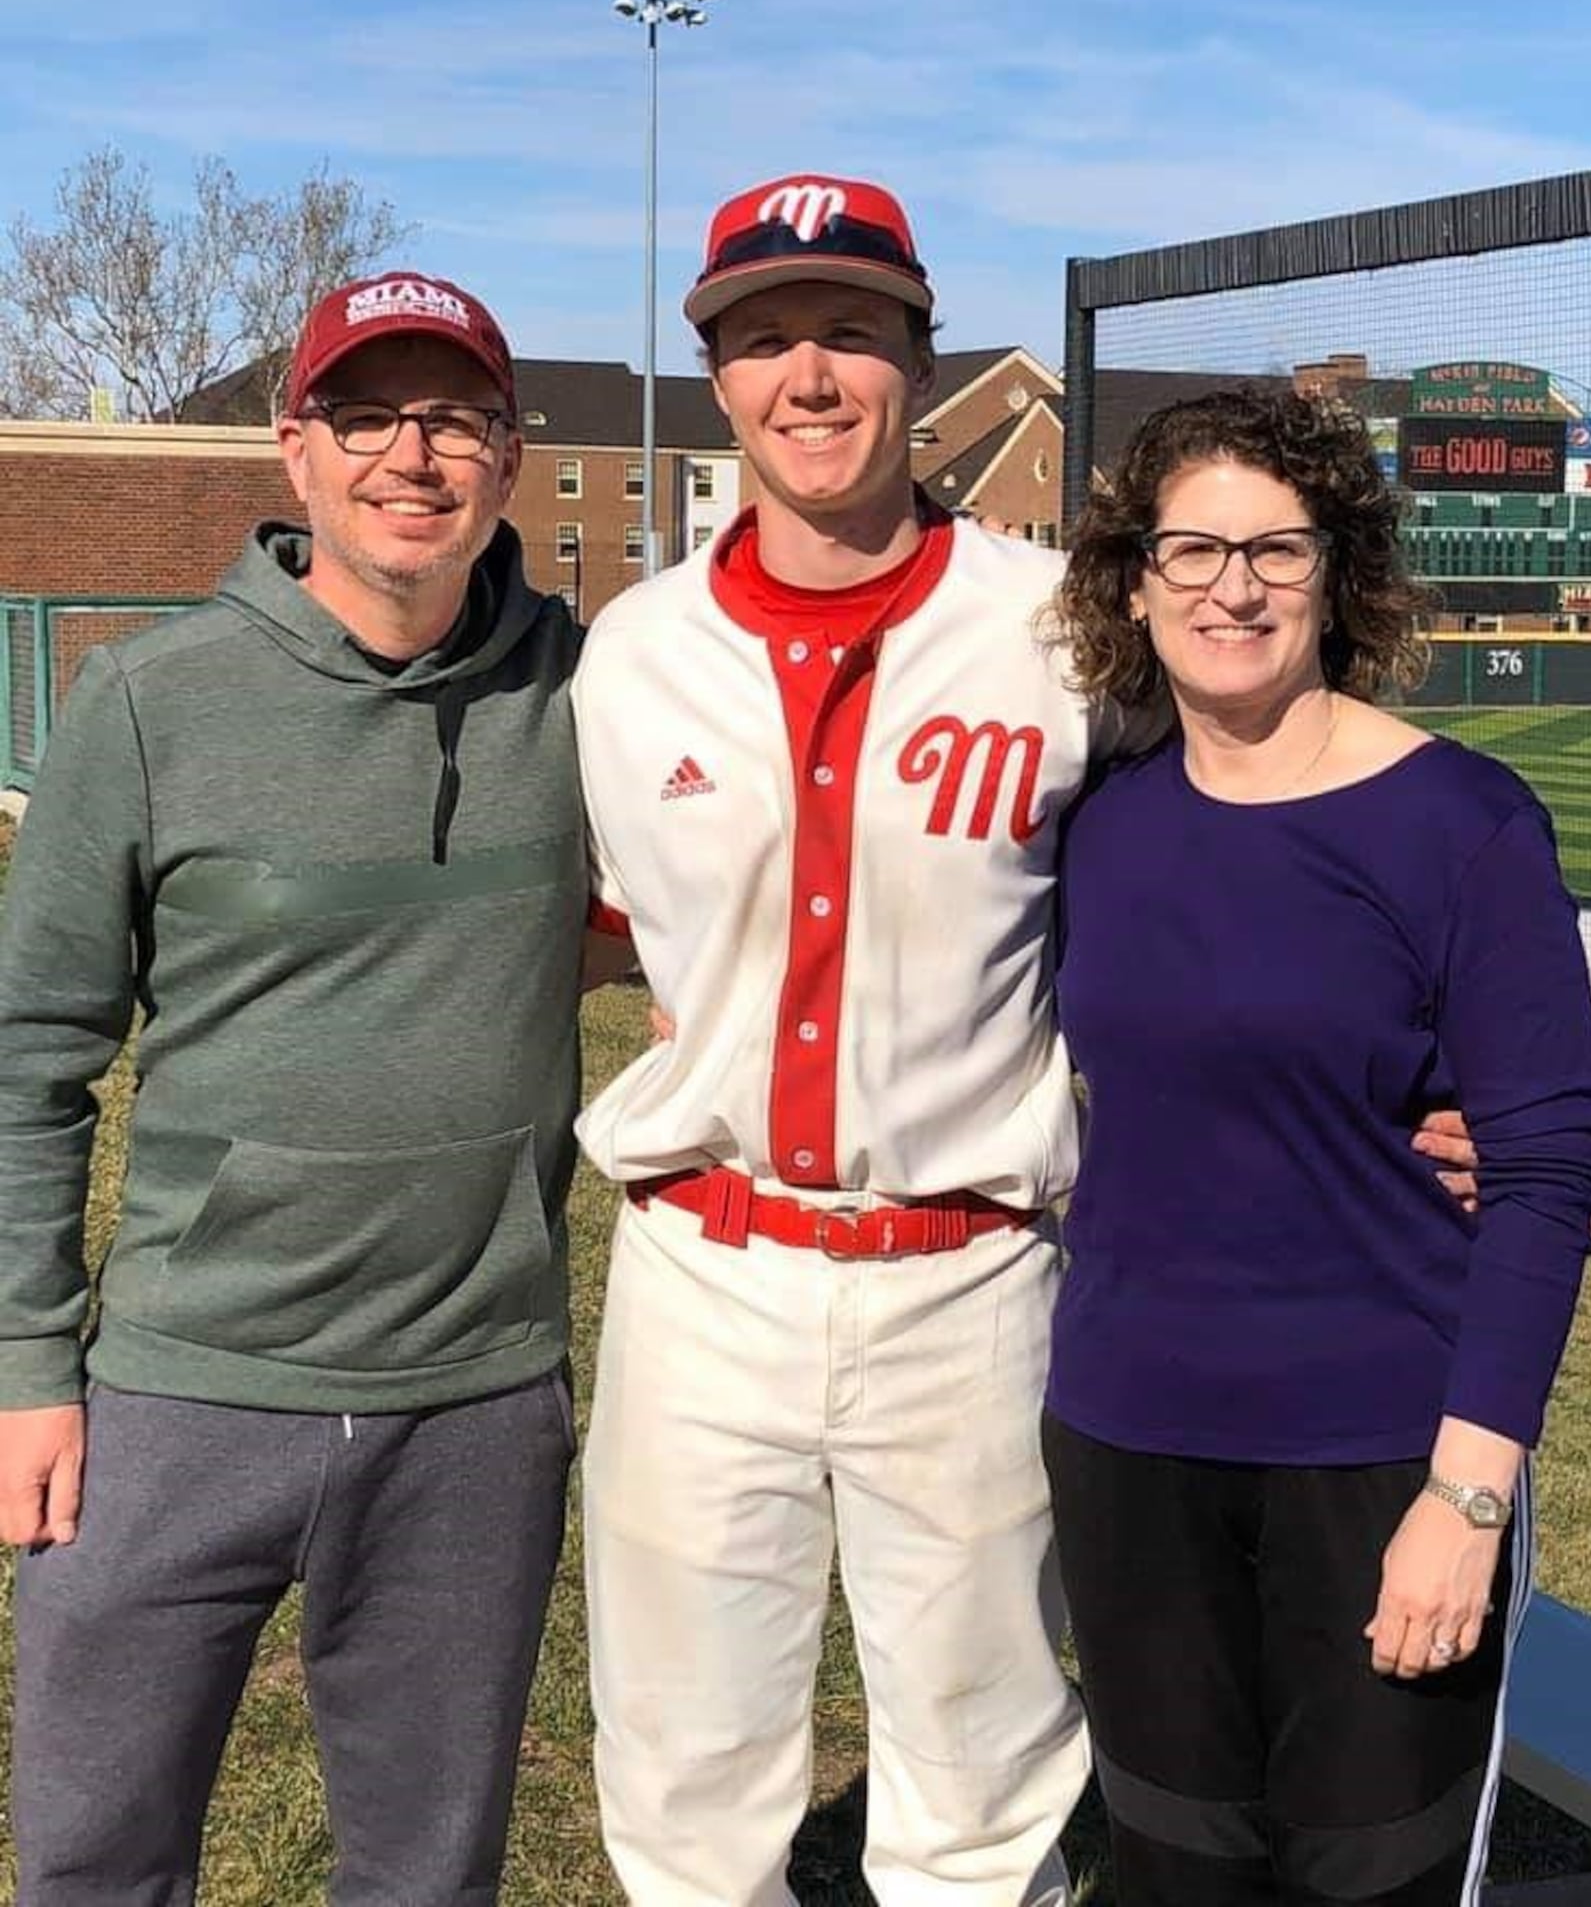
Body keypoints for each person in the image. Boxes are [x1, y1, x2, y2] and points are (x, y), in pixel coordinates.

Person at [569, 181, 1477, 1907]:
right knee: (683, 1780)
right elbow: (606, 925)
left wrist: (1429, 1072)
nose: (809, 376)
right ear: (717, 381)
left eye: (849, 331)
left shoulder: (1065, 626)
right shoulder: (630, 658)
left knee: (979, 1791)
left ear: (919, 356)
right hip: (706, 1265)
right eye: (765, 341)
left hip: (970, 1275)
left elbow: (1254, 826)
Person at [0, 272, 587, 1906]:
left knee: (426, 1874)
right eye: (367, 415)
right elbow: (28, 1055)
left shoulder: (587, 691)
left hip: (474, 1401)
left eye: (456, 417)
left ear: (511, 456)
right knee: (96, 1861)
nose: (414, 454)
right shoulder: (147, 705)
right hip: (175, 1398)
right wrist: (27, 1363)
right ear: (295, 453)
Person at [1040, 386, 1591, 1907]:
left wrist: (1467, 1499)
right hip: (1129, 1444)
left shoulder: (1461, 825)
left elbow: (1549, 1173)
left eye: (1277, 551)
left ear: (1339, 571)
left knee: (1374, 1880)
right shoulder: (1102, 825)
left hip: (1381, 1458)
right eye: (1195, 550)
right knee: (1175, 1862)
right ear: (1134, 580)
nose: (1234, 587)